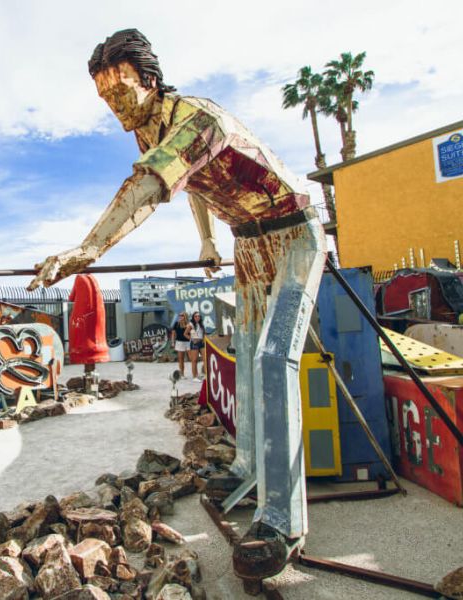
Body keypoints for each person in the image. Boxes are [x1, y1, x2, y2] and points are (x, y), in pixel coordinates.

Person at [27, 28, 327, 580]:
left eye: (120, 91)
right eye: (104, 98)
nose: (114, 106)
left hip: (294, 232)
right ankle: (246, 469)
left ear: (149, 80)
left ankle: (283, 520)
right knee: (246, 358)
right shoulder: (150, 133)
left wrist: (90, 247)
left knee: (271, 359)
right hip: (249, 240)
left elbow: (148, 189)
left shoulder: (197, 118)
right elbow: (190, 186)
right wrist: (208, 241)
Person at [170, 311, 191, 376]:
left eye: (182, 315)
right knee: (181, 359)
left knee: (192, 358)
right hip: (179, 342)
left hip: (188, 342)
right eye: (180, 315)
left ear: (185, 316)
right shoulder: (176, 324)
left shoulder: (189, 324)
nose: (180, 317)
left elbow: (192, 333)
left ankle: (195, 373)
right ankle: (182, 374)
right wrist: (173, 342)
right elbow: (173, 334)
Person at [188, 312, 205, 380]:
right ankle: (195, 376)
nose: (197, 317)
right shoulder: (191, 324)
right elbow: (185, 334)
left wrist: (203, 339)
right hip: (194, 343)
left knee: (205, 359)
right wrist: (192, 339)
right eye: (195, 316)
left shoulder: (201, 324)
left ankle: (205, 374)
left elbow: (203, 333)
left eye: (198, 316)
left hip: (201, 342)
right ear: (193, 317)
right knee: (194, 360)